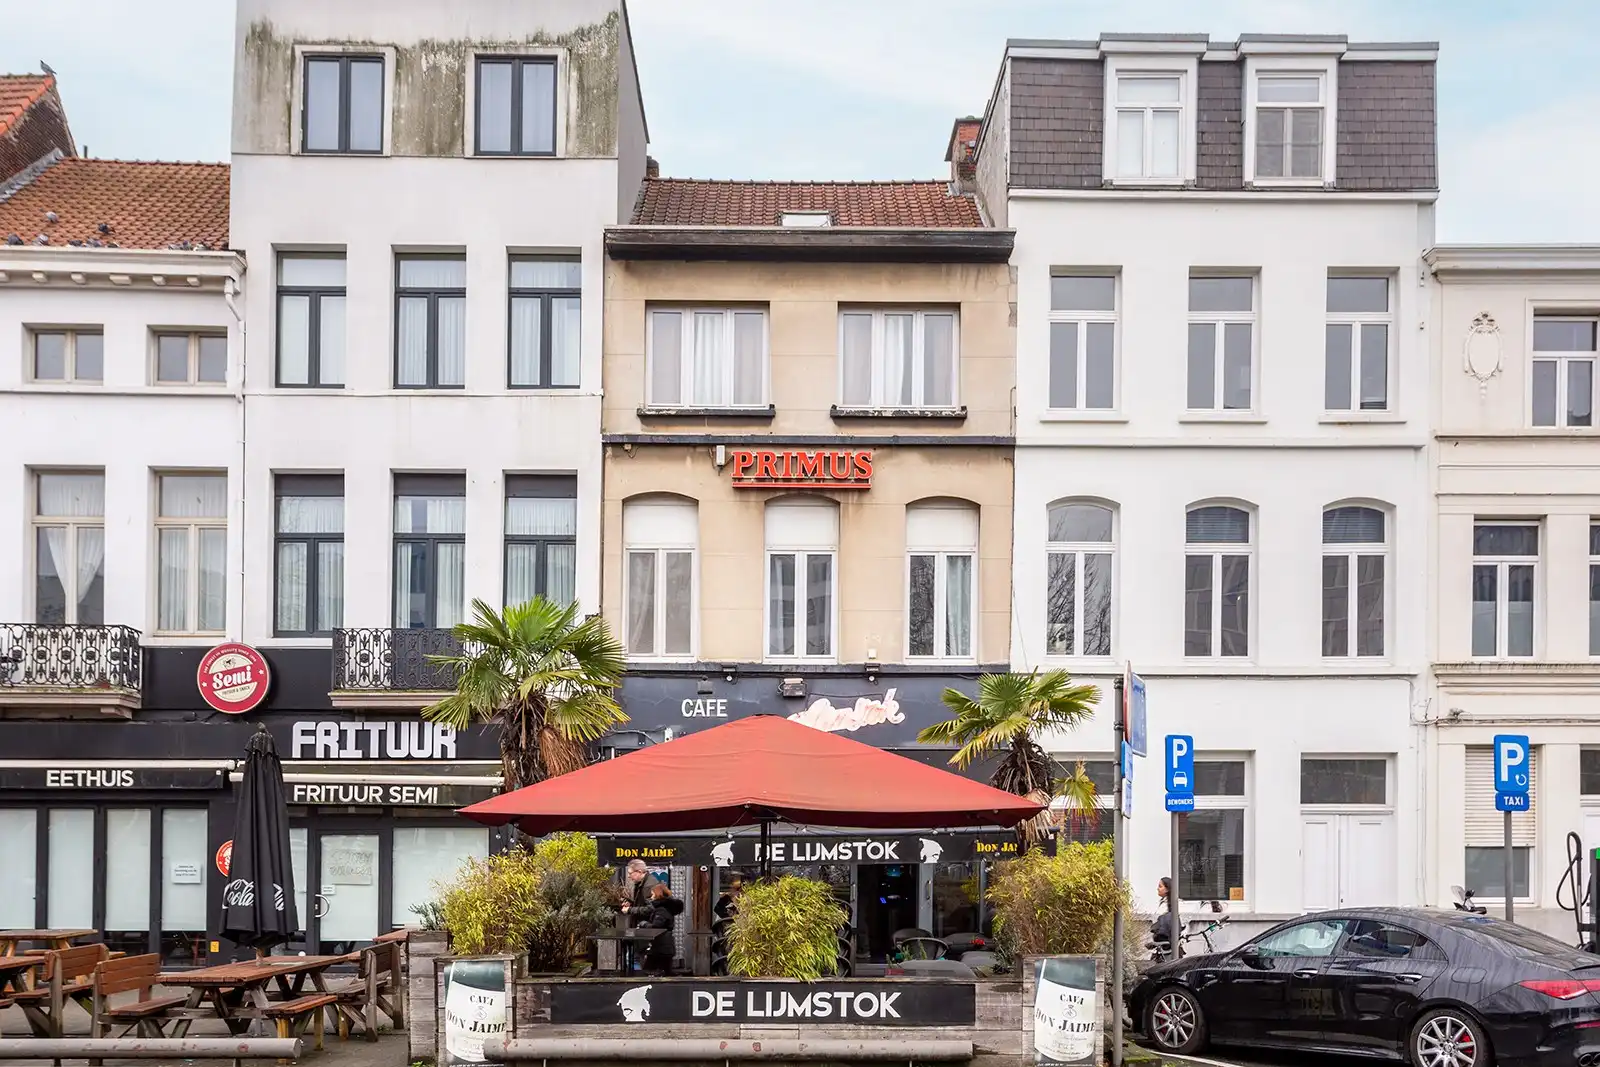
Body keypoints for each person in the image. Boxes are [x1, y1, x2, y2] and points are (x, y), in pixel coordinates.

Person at [639, 882, 684, 975]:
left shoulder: (661, 910)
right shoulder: (666, 908)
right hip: (665, 946)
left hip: (660, 946)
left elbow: (656, 926)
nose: (651, 897)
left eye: (652, 894)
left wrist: (644, 924)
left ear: (657, 895)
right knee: (666, 972)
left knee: (649, 970)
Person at [1150, 877, 1174, 950]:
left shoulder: (1173, 904)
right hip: (1161, 940)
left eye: (1160, 886)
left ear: (1167, 889)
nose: (1158, 888)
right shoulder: (1163, 902)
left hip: (1167, 941)